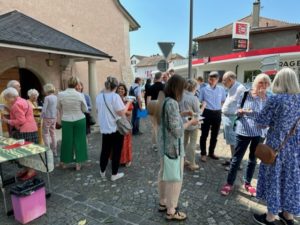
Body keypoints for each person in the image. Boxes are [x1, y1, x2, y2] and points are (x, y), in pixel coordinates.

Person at [253, 68, 300, 225]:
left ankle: (270, 217)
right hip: (294, 147)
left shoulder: (276, 99)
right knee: (289, 179)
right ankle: (288, 216)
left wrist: (261, 102)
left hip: (276, 146)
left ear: (278, 81)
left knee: (274, 178)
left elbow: (261, 122)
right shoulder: (299, 99)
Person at [220, 73, 271, 197]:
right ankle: (229, 183)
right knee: (236, 159)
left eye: (266, 83)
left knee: (253, 159)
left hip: (259, 133)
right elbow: (237, 110)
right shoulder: (246, 94)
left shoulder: (268, 98)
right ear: (256, 83)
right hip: (243, 131)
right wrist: (241, 111)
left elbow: (269, 115)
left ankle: (247, 183)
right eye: (261, 82)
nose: (263, 85)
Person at [157, 74, 199, 221]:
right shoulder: (172, 103)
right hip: (173, 148)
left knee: (163, 174)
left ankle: (163, 202)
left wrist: (183, 113)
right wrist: (191, 122)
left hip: (163, 146)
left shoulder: (164, 100)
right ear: (177, 88)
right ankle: (171, 210)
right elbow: (178, 131)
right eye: (182, 88)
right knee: (175, 179)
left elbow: (167, 118)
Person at [96, 76, 132, 181]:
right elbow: (121, 112)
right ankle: (114, 174)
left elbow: (98, 111)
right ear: (115, 87)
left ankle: (102, 171)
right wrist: (128, 103)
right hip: (115, 128)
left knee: (105, 150)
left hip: (105, 127)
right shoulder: (115, 97)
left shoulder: (99, 96)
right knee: (116, 151)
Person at [1, 87, 38, 180]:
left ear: (11, 96)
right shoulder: (23, 101)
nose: (6, 100)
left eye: (6, 98)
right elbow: (20, 113)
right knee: (28, 151)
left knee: (26, 152)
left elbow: (21, 120)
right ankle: (27, 169)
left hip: (24, 130)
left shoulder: (16, 105)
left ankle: (31, 171)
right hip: (31, 128)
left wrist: (7, 120)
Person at [57, 76, 88, 171]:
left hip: (66, 119)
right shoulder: (79, 95)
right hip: (79, 119)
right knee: (80, 141)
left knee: (66, 141)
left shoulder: (61, 94)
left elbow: (58, 107)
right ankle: (78, 163)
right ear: (76, 84)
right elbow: (85, 109)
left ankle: (64, 163)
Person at [221, 71, 246, 170]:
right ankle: (233, 160)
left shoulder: (240, 89)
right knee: (231, 142)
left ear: (230, 80)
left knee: (234, 142)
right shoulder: (231, 87)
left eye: (224, 80)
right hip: (227, 118)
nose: (223, 82)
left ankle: (236, 164)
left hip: (233, 119)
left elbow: (243, 105)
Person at [199, 71, 226, 161]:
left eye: (214, 79)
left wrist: (219, 109)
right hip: (206, 113)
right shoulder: (203, 89)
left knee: (215, 135)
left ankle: (211, 152)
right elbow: (200, 101)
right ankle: (203, 153)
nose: (211, 81)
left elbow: (223, 101)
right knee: (204, 134)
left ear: (218, 79)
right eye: (210, 79)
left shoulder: (221, 89)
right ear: (208, 79)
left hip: (217, 113)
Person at [178, 79, 201, 170]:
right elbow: (198, 112)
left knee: (183, 142)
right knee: (192, 143)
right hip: (192, 123)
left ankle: (183, 161)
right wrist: (202, 107)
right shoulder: (194, 98)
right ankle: (192, 163)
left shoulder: (180, 96)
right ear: (194, 88)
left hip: (182, 122)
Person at [147, 72, 165, 151]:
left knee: (154, 127)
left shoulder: (150, 87)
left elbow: (148, 100)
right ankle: (161, 143)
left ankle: (155, 145)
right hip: (161, 106)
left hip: (152, 105)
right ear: (161, 77)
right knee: (161, 127)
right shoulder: (164, 87)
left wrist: (148, 109)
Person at [116, 83, 133, 167]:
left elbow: (130, 113)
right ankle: (118, 159)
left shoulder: (127, 100)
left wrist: (123, 111)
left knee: (126, 143)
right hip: (116, 124)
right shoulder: (114, 99)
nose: (120, 90)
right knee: (117, 143)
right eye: (119, 88)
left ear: (125, 91)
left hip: (125, 124)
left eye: (122, 89)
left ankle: (127, 160)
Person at [41, 83, 57, 156]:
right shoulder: (56, 97)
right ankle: (55, 151)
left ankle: (48, 151)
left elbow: (44, 109)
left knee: (45, 134)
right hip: (54, 117)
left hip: (47, 117)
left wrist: (41, 117)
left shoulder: (47, 98)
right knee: (53, 134)